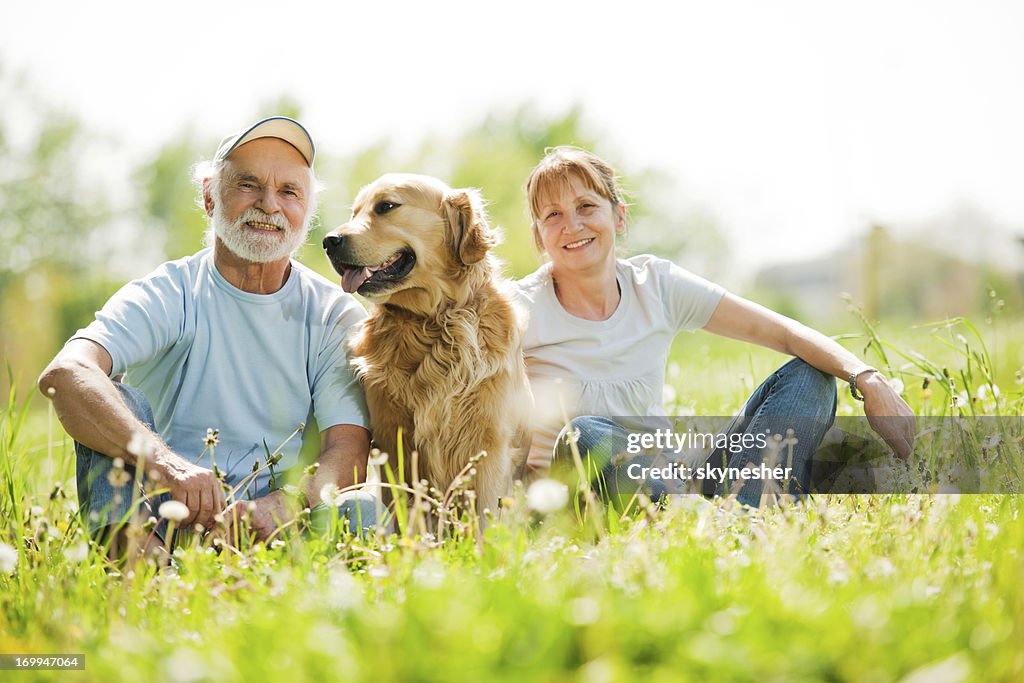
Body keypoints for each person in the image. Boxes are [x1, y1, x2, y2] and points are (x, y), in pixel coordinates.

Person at [38, 116, 372, 555]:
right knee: (112, 398)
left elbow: (346, 452)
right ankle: (145, 576)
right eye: (249, 185)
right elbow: (66, 373)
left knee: (368, 506)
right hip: (165, 513)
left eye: (289, 191)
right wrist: (169, 467)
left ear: (306, 211)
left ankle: (307, 591)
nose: (269, 205)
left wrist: (280, 506)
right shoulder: (170, 290)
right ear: (210, 196)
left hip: (281, 526)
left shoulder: (334, 313)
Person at [515, 146, 915, 507]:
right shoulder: (517, 308)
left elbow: (784, 333)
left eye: (586, 206)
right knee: (583, 434)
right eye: (553, 215)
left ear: (618, 217)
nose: (572, 225)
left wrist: (869, 380)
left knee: (813, 374)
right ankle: (733, 517)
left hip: (676, 479)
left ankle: (736, 511)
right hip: (584, 495)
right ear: (539, 237)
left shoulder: (655, 285)